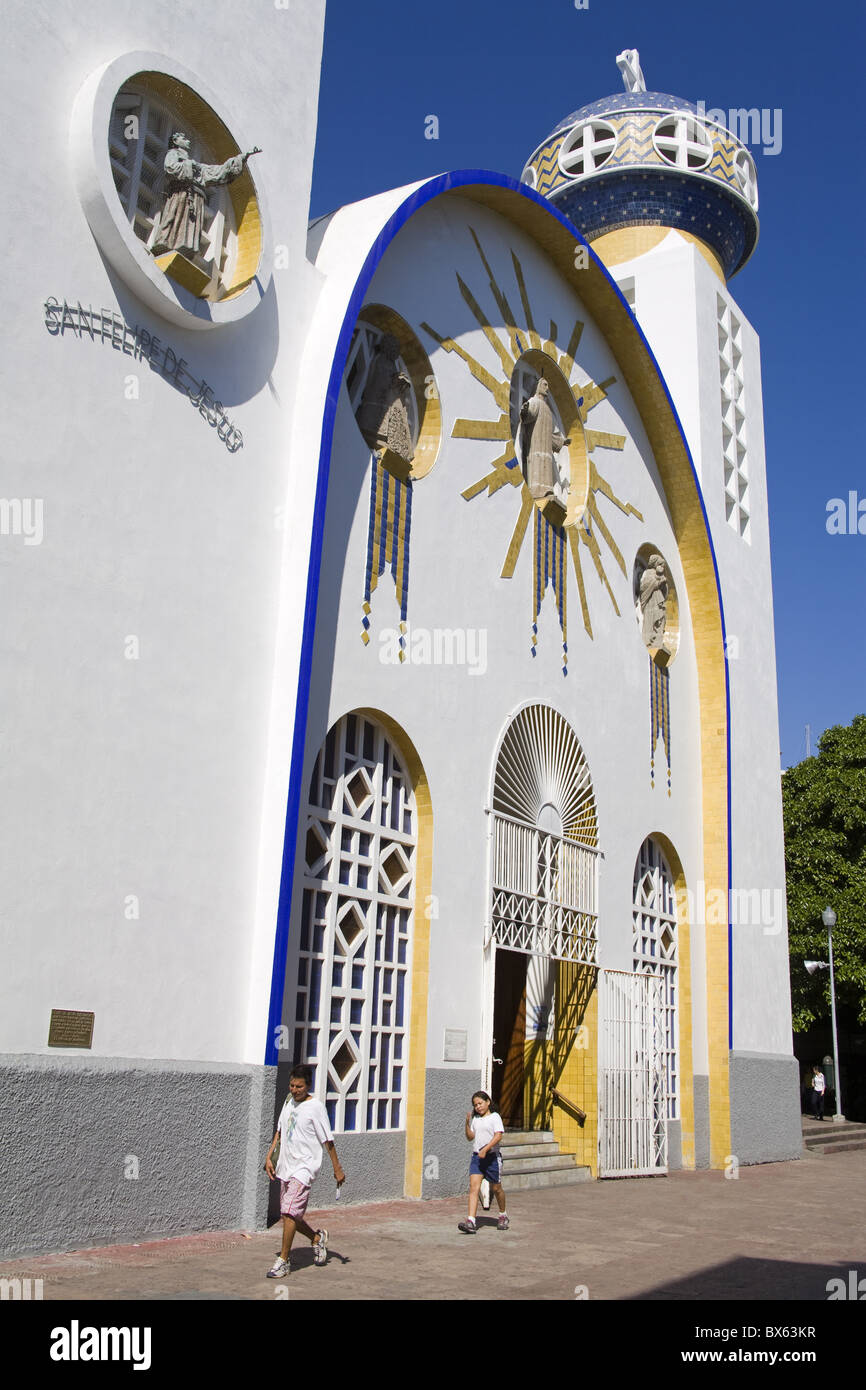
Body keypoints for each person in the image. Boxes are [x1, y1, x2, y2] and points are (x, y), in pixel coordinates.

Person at [264, 1064, 346, 1278]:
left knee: (289, 1212)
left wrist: (337, 1168)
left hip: (305, 1167)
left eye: (299, 1086)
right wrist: (270, 1156)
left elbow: (327, 1139)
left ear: (308, 1086)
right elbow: (280, 1131)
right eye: (291, 1085)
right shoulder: (288, 1102)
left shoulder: (316, 1107)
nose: (294, 1090)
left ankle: (283, 1260)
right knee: (289, 1214)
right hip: (286, 1164)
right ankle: (317, 1239)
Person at [150, 131, 261, 258]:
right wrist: (190, 166)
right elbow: (170, 168)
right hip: (182, 193)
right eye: (183, 138)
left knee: (189, 226)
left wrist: (242, 157)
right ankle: (165, 243)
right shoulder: (173, 154)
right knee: (174, 218)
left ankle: (184, 247)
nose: (188, 141)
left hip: (196, 197)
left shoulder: (197, 166)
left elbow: (217, 172)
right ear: (175, 141)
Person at [458, 1091, 509, 1234]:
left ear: (488, 1102)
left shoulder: (495, 1117)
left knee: (496, 1189)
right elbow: (470, 1137)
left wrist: (486, 1149)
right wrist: (467, 1123)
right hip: (477, 1158)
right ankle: (471, 1221)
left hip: (492, 1158)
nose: (478, 1107)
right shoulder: (476, 1119)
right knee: (474, 1188)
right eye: (475, 1105)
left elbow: (498, 1136)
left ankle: (503, 1214)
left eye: (480, 1103)